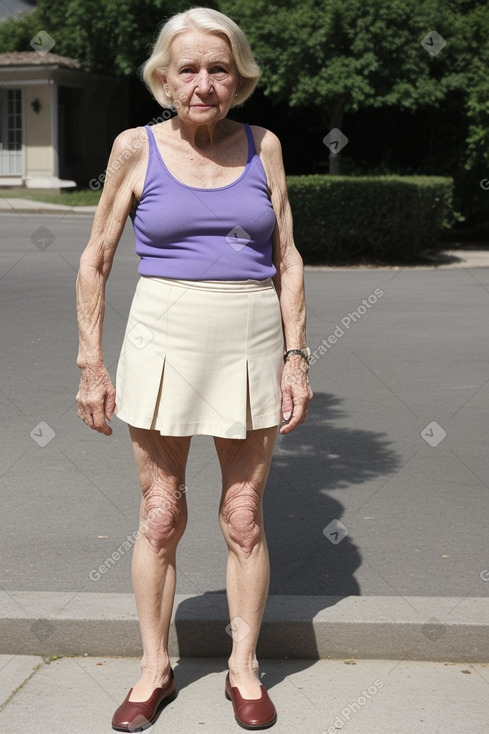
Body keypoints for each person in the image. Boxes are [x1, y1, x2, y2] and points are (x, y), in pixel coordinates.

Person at [76, 7, 312, 731]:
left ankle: (243, 668)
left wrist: (296, 355)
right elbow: (97, 257)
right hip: (162, 334)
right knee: (160, 513)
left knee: (242, 517)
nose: (203, 82)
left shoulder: (263, 144)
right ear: (163, 77)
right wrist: (91, 359)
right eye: (189, 68)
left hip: (247, 336)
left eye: (219, 68)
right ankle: (154, 668)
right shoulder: (133, 147)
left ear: (237, 78)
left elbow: (286, 257)